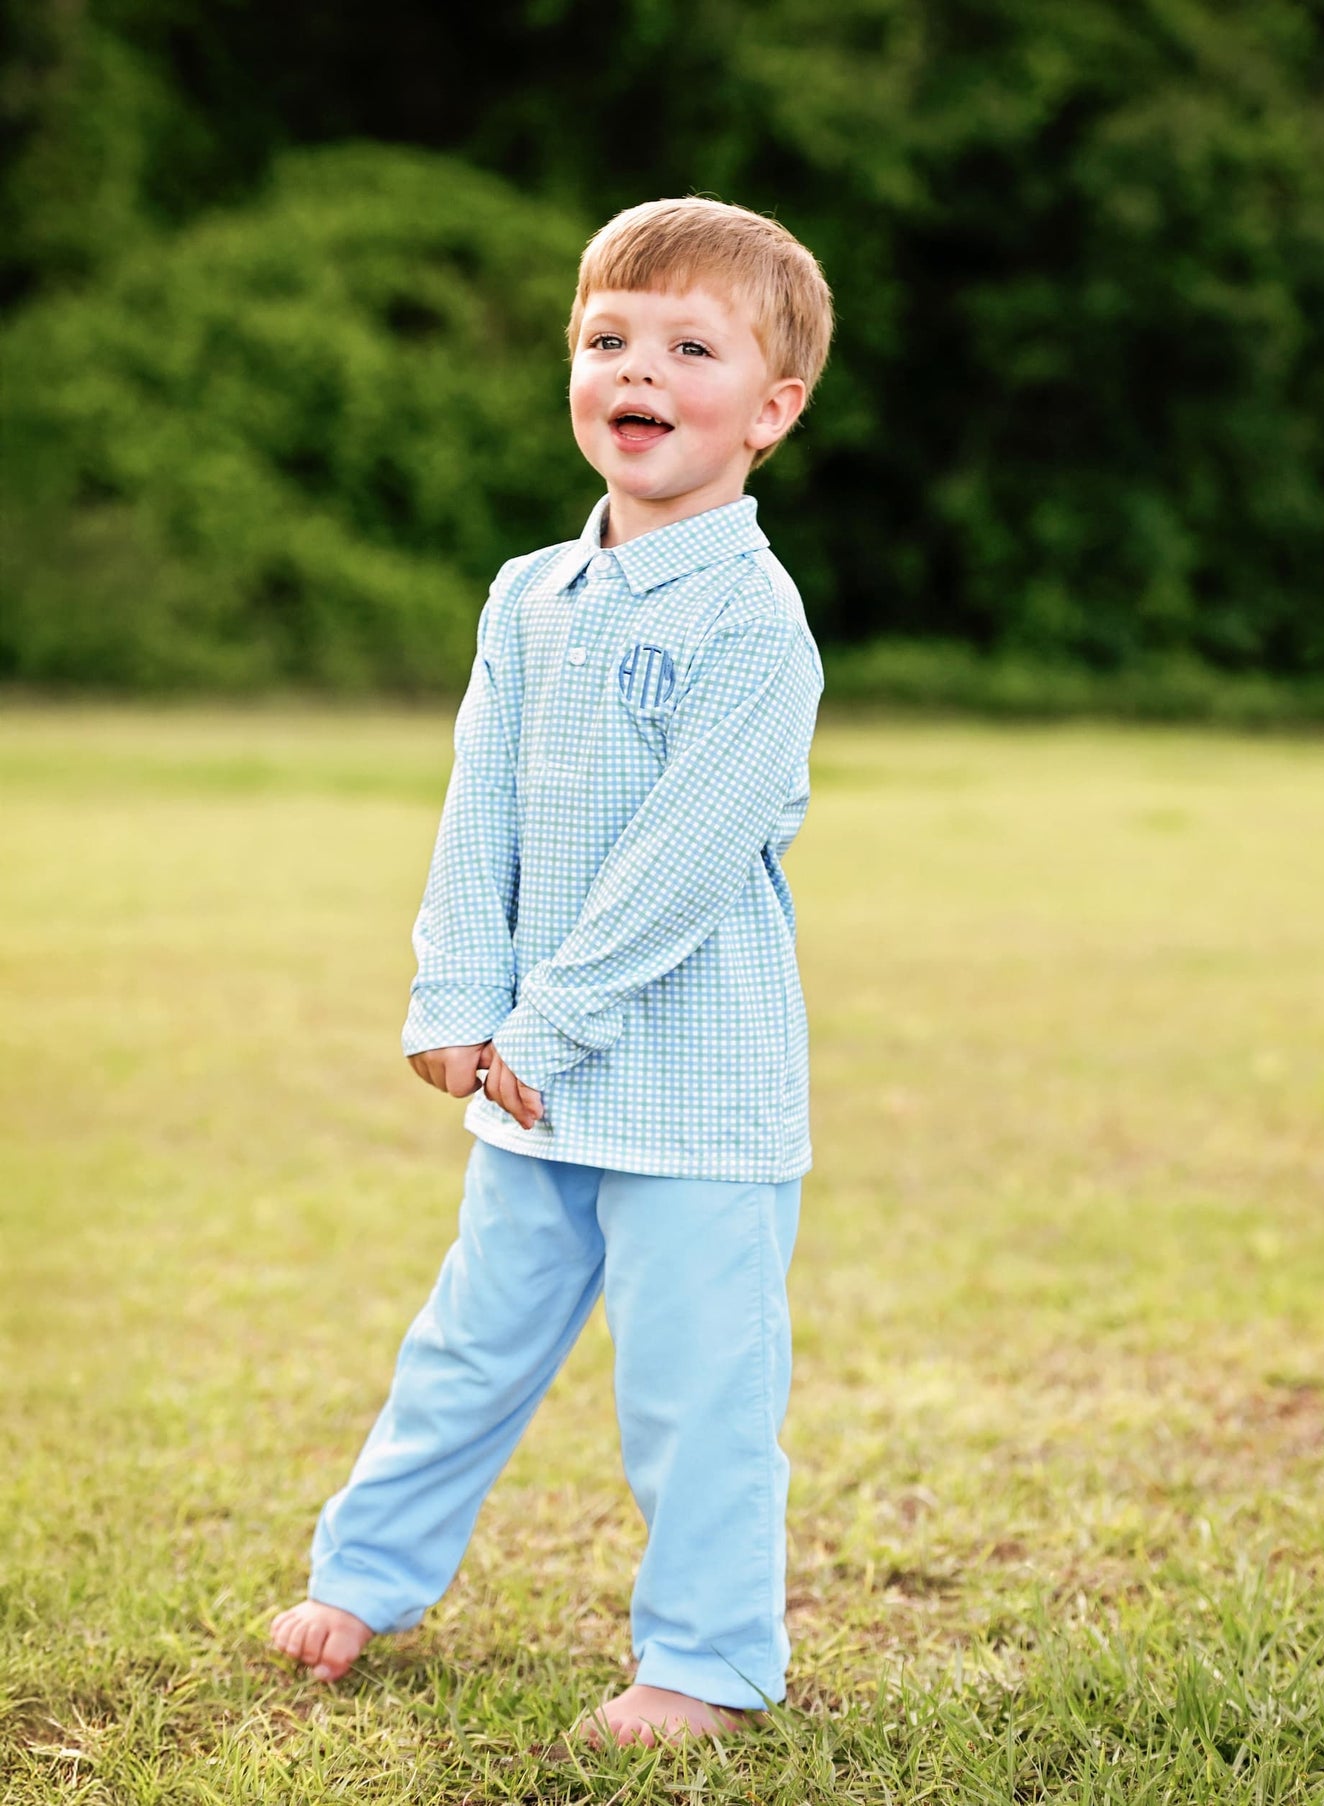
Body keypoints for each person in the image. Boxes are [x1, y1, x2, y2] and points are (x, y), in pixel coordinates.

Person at [270, 195, 834, 1748]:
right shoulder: (532, 593)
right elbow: (482, 808)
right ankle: (365, 1576)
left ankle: (707, 1661)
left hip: (689, 1094)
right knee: (467, 1343)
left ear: (770, 409)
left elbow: (683, 863)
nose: (635, 369)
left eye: (688, 347)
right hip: (526, 1072)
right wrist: (455, 994)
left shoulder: (753, 621)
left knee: (693, 1393)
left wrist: (551, 1018)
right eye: (606, 339)